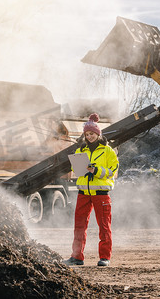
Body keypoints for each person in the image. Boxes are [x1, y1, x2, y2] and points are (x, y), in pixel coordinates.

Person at [63, 113, 119, 267]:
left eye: (92, 134)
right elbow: (75, 168)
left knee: (104, 226)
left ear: (98, 134)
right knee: (79, 226)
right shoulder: (81, 150)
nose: (89, 136)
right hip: (83, 193)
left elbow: (112, 170)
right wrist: (79, 167)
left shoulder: (108, 151)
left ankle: (105, 257)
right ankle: (77, 257)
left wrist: (96, 170)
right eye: (87, 134)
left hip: (101, 194)